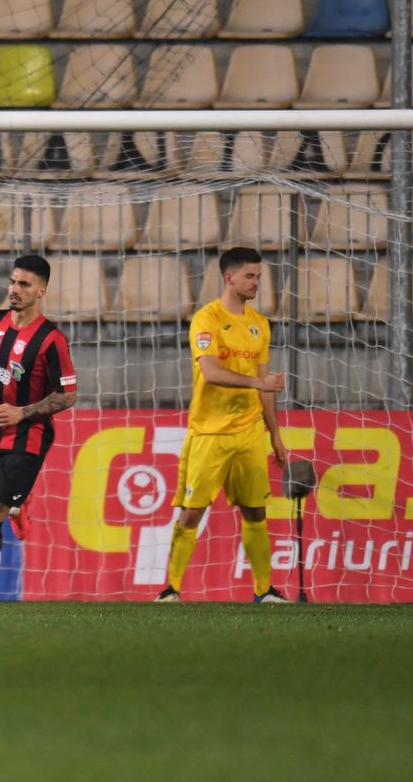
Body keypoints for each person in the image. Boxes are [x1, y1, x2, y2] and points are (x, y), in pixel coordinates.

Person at [155, 247, 288, 604]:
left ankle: (264, 591)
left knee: (255, 510)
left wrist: (274, 432)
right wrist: (260, 385)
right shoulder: (207, 319)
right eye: (250, 276)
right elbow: (210, 372)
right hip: (209, 432)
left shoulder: (260, 324)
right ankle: (171, 589)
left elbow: (266, 382)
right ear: (229, 278)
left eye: (259, 276)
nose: (256, 282)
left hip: (248, 432)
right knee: (193, 511)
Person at [0, 255, 78, 604]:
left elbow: (68, 394)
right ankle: (18, 505)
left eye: (24, 284)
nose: (14, 289)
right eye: (12, 282)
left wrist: (23, 412)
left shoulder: (51, 339)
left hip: (28, 438)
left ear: (41, 291)